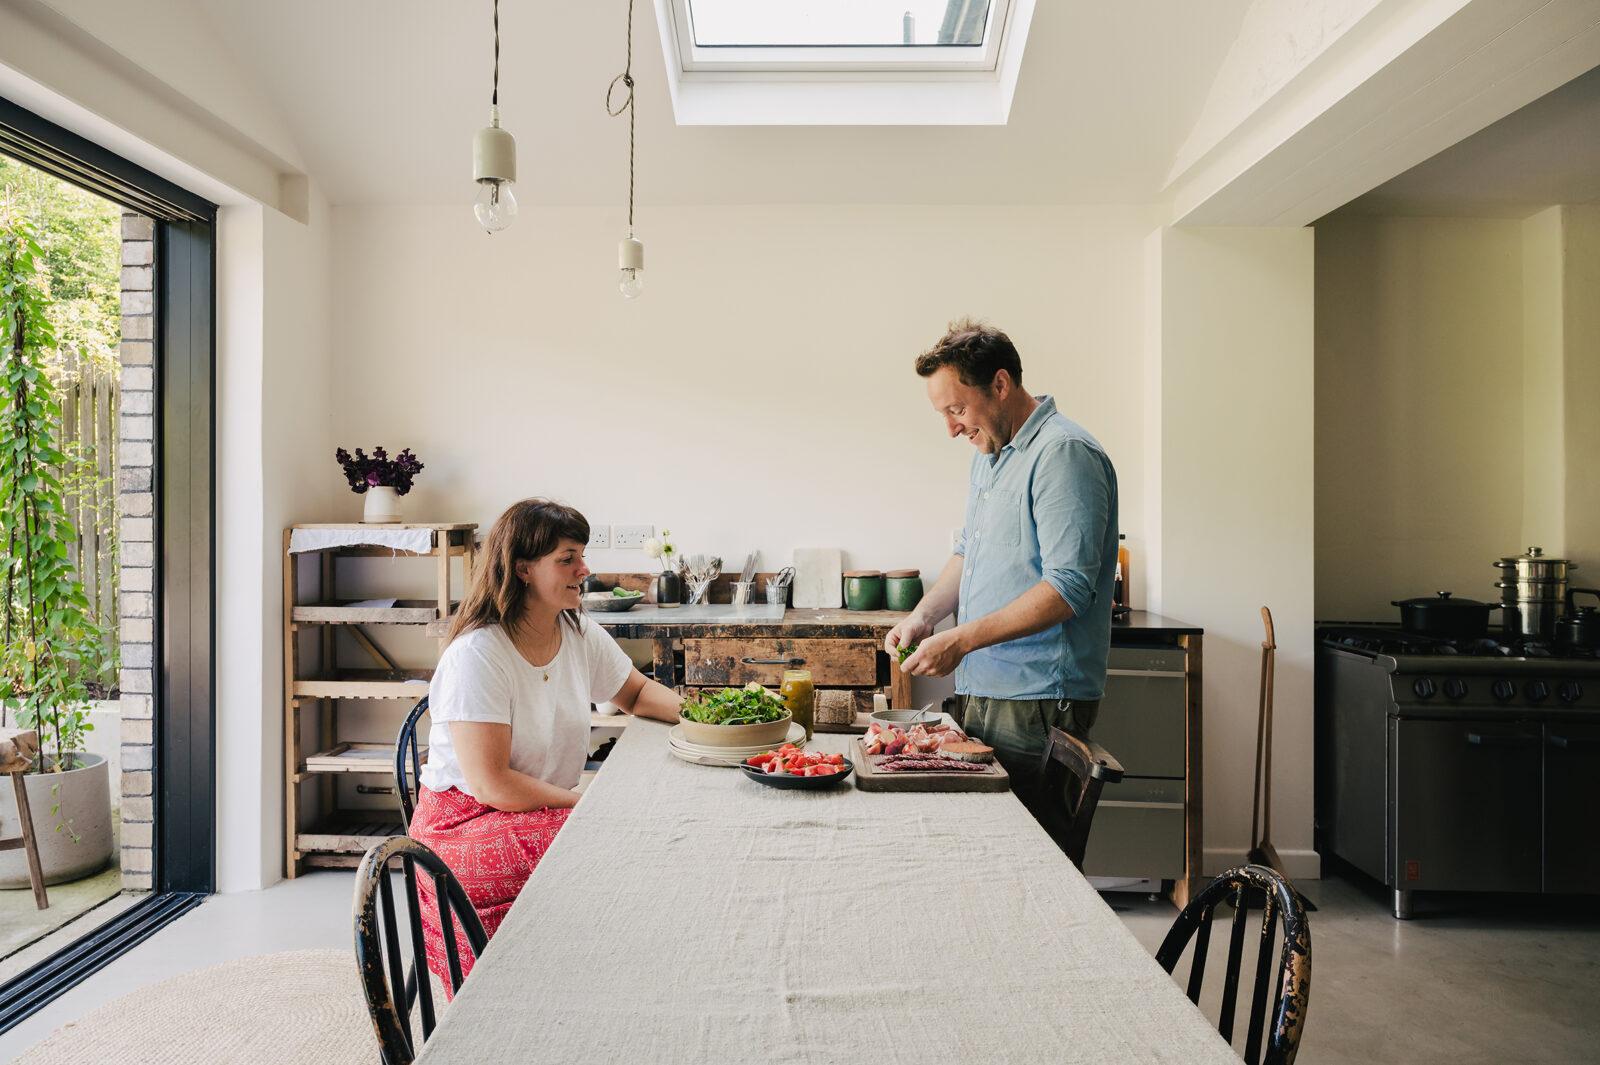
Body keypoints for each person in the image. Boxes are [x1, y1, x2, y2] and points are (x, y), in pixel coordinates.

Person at [410, 498, 680, 987]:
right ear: (524, 569)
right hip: (464, 828)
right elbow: (492, 784)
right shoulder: (480, 654)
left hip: (536, 811)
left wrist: (706, 720)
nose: (584, 568)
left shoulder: (575, 630)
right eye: (567, 558)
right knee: (620, 840)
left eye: (581, 554)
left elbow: (636, 692)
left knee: (630, 836)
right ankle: (594, 976)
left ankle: (593, 971)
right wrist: (585, 803)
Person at [885, 319, 1119, 841]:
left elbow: (1068, 588)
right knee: (985, 845)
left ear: (1000, 385)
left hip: (1036, 701)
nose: (950, 428)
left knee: (1026, 857)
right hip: (986, 691)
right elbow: (968, 552)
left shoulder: (1063, 454)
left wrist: (962, 639)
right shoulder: (990, 457)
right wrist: (924, 618)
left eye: (956, 409)